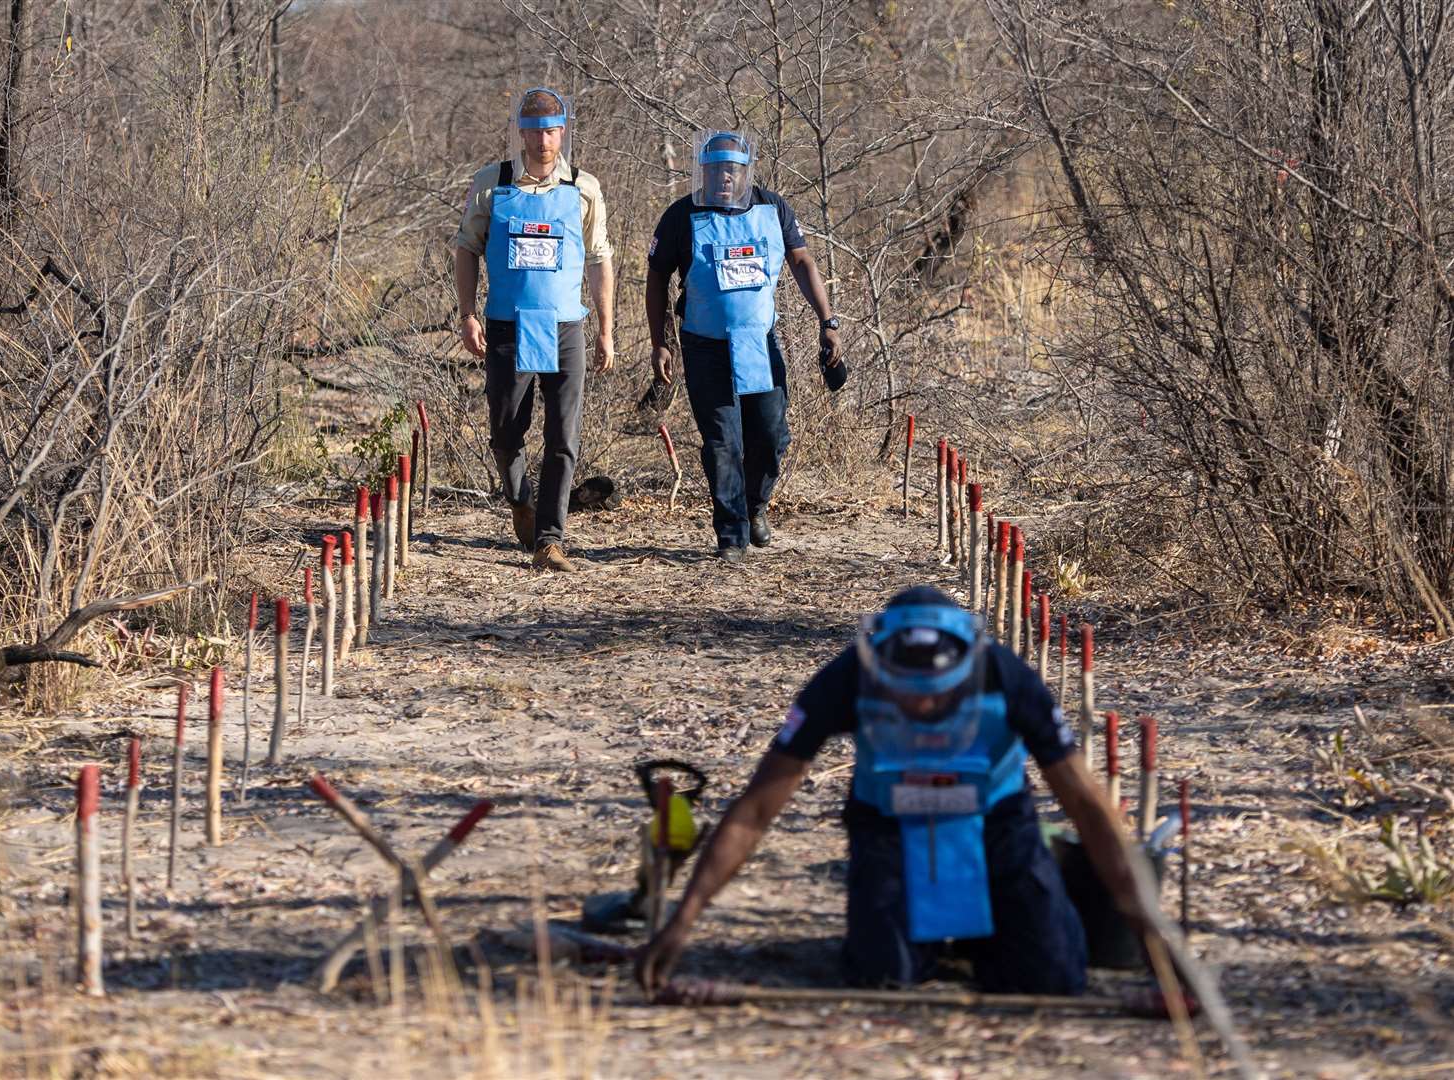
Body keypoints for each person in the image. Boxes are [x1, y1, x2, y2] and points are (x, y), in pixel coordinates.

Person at [635, 586, 1167, 997]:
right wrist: (685, 919)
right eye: (906, 697)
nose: (923, 710)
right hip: (887, 826)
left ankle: (1029, 893)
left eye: (938, 698)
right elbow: (756, 809)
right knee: (883, 977)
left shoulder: (1008, 677)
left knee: (1053, 978)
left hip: (997, 824)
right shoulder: (843, 680)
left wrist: (1147, 928)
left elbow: (1085, 804)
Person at [645, 130, 841, 564]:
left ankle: (755, 506)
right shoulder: (681, 216)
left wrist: (827, 321)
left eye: (733, 170)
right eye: (716, 170)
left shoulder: (774, 209)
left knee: (770, 435)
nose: (725, 179)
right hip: (706, 345)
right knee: (722, 442)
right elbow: (657, 277)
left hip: (759, 343)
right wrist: (660, 342)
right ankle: (730, 533)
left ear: (746, 171)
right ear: (704, 171)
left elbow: (803, 261)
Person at [454, 87, 615, 572]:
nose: (543, 140)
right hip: (508, 325)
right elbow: (466, 248)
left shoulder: (583, 187)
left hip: (566, 324)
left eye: (551, 130)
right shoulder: (493, 182)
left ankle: (550, 540)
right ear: (520, 132)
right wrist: (466, 312)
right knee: (505, 429)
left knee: (564, 436)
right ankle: (520, 500)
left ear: (562, 131)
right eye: (534, 130)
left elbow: (600, 257)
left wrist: (606, 326)